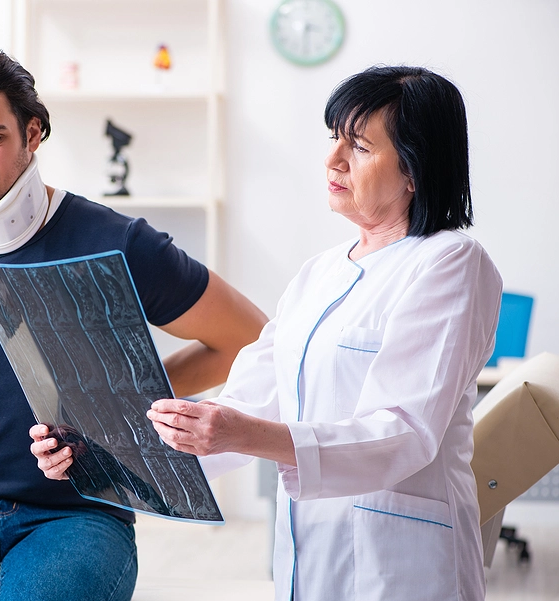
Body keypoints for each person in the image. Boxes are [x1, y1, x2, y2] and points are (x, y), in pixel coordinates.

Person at [33, 66, 502, 601]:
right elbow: (245, 407)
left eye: (360, 147)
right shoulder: (318, 274)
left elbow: (403, 431)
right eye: (334, 139)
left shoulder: (451, 262)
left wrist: (243, 434)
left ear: (416, 169)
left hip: (402, 563)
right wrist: (100, 450)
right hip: (308, 553)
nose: (333, 160)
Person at [0, 48, 267, 601]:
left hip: (76, 519)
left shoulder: (117, 242)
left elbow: (248, 336)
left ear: (33, 132)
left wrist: (118, 405)